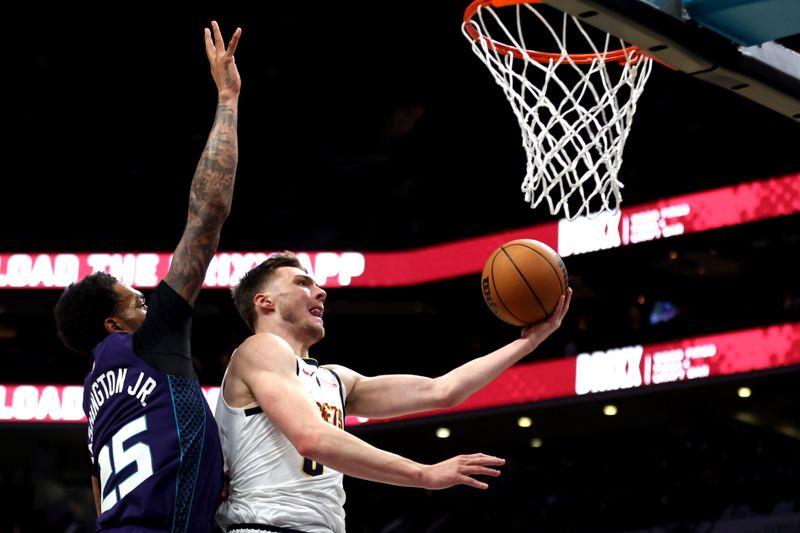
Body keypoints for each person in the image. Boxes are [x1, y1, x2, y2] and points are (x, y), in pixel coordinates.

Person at [215, 252, 572, 532]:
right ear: (265, 302)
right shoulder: (258, 349)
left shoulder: (334, 379)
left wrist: (528, 343)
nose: (320, 291)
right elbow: (311, 438)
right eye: (302, 283)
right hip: (264, 526)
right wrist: (424, 474)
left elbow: (441, 391)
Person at [53, 21, 242, 533]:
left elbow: (99, 484)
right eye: (136, 302)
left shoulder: (95, 392)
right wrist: (227, 98)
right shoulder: (147, 342)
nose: (147, 300)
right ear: (116, 325)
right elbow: (209, 211)